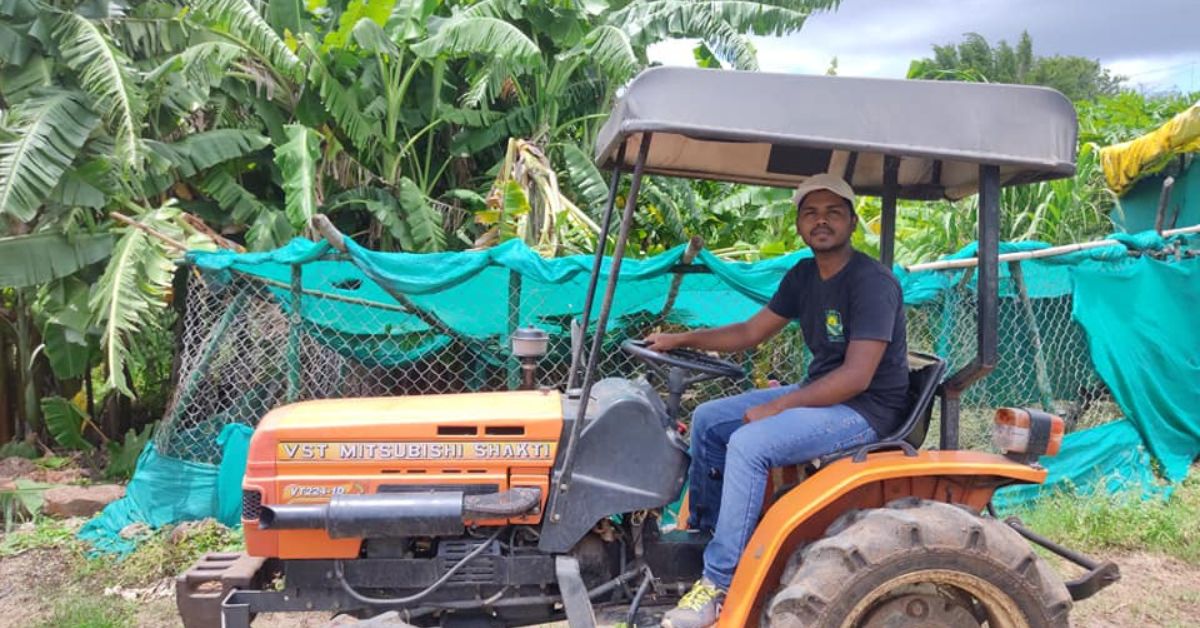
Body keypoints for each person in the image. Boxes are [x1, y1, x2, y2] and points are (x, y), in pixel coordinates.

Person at [650, 173, 909, 628]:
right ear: (799, 224)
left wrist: (778, 408)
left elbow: (856, 376)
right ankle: (704, 536)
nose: (821, 221)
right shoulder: (804, 275)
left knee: (752, 442)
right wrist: (680, 338)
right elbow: (751, 332)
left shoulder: (871, 283)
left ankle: (719, 583)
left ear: (851, 220)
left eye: (832, 212)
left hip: (865, 408)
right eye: (811, 213)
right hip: (825, 392)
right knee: (710, 418)